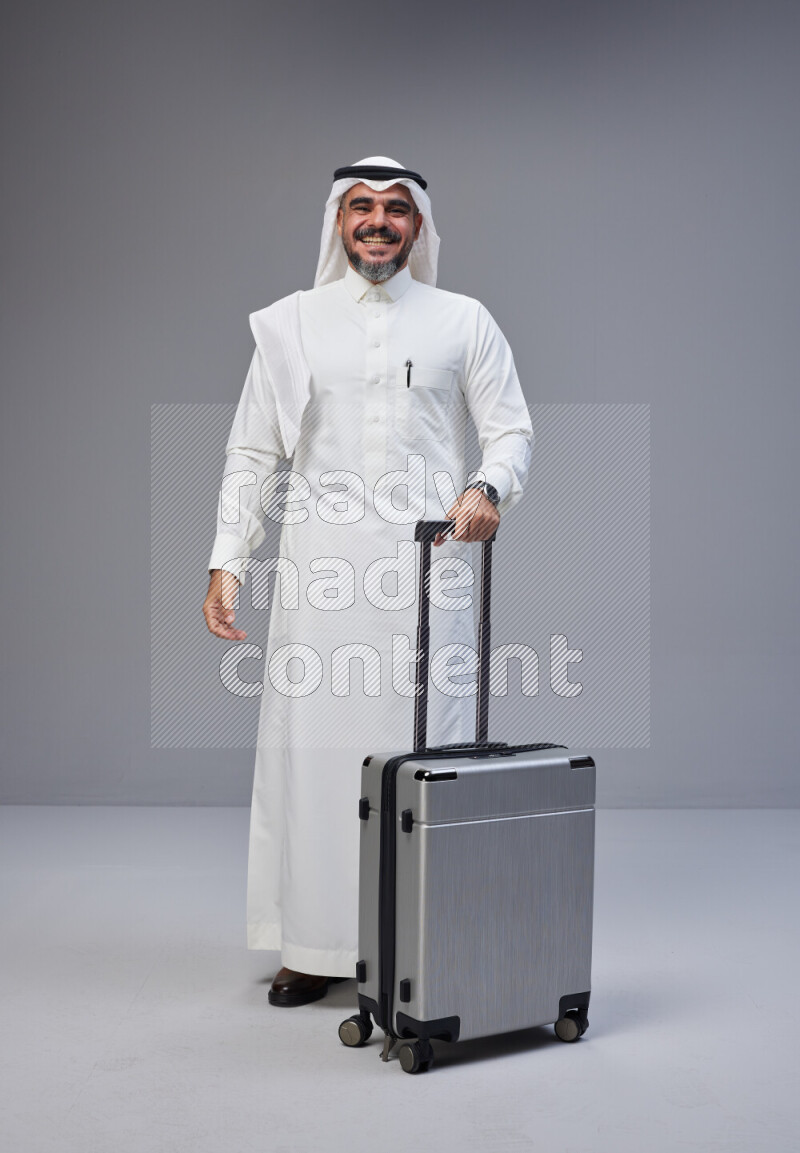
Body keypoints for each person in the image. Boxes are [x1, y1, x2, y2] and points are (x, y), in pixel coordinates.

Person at [203, 157, 533, 1007]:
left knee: (432, 753)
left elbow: (511, 430)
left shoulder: (464, 320)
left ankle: (428, 934)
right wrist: (227, 560)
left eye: (395, 209)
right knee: (317, 762)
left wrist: (487, 489)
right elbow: (251, 451)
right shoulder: (293, 325)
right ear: (337, 221)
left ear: (419, 225)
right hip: (322, 572)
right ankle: (314, 946)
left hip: (431, 570)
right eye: (361, 207)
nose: (378, 221)